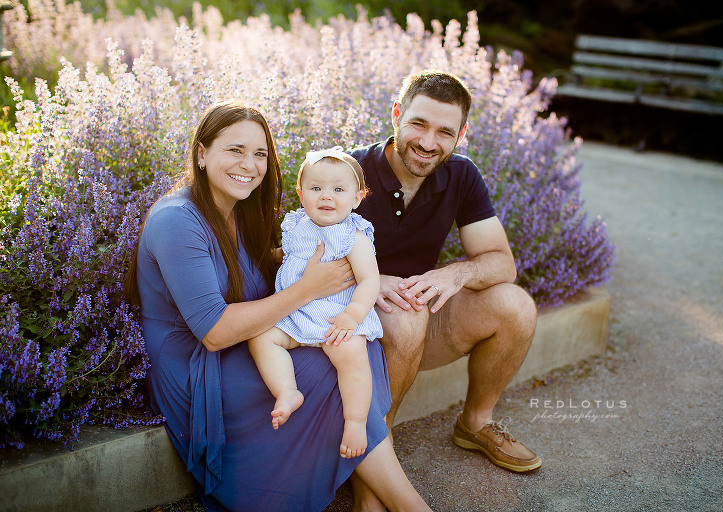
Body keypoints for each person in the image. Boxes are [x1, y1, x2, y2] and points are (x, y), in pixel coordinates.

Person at [125, 100, 431, 512]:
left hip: (245, 338)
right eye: (235, 150)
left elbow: (275, 265)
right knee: (332, 362)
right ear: (201, 153)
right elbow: (213, 333)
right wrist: (308, 290)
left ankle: (372, 499)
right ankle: (405, 505)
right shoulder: (176, 221)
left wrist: (356, 282)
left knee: (353, 342)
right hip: (197, 364)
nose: (249, 165)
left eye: (260, 154)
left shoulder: (239, 210)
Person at [348, 69, 541, 509]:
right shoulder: (350, 170)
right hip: (344, 327)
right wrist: (370, 279)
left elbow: (501, 263)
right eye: (418, 123)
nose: (428, 142)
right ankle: (376, 460)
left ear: (462, 134)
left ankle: (475, 423)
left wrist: (456, 274)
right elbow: (297, 257)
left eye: (444, 131)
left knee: (515, 305)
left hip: (413, 325)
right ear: (396, 114)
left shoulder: (461, 175)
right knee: (408, 313)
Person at [248, 146, 382, 460]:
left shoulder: (353, 236)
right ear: (301, 193)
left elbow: (370, 280)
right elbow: (285, 257)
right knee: (261, 336)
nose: (326, 196)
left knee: (353, 357)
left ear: (357, 198)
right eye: (316, 188)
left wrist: (352, 316)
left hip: (337, 316)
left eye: (338, 189)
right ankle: (287, 390)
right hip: (295, 311)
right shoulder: (296, 226)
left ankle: (356, 421)